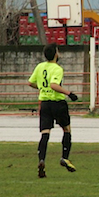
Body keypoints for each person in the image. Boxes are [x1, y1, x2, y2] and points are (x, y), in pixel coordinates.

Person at [27, 43, 79, 178]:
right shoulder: (57, 68)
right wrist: (69, 93)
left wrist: (42, 89)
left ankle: (42, 160)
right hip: (57, 103)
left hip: (44, 104)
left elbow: (30, 82)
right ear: (56, 54)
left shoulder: (40, 67)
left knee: (45, 133)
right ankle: (65, 157)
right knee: (66, 129)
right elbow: (54, 85)